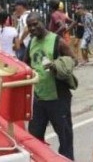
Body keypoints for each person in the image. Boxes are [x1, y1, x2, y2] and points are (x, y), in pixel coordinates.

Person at [25, 12, 77, 160]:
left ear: (44, 22)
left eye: (36, 24)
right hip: (38, 99)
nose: (33, 28)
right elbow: (26, 64)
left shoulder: (57, 41)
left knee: (65, 139)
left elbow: (73, 60)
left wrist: (58, 66)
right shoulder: (31, 42)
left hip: (58, 98)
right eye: (30, 26)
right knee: (34, 139)